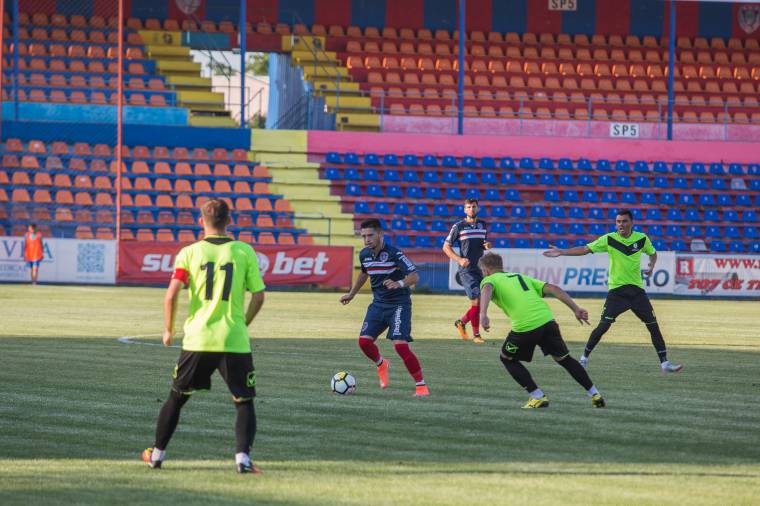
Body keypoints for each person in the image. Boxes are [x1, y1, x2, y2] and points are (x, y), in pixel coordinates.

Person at [142, 199, 266, 474]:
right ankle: (243, 460)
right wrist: (243, 323)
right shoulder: (244, 251)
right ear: (229, 221)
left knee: (177, 397)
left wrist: (168, 329)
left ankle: (156, 455)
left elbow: (171, 294)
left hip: (198, 339)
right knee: (243, 401)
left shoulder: (189, 252)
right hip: (233, 339)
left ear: (201, 222)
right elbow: (259, 296)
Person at [542, 209, 682, 373]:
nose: (621, 224)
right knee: (603, 327)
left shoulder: (642, 239)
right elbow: (585, 249)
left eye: (624, 221)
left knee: (653, 326)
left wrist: (651, 267)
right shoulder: (609, 239)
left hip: (637, 292)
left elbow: (653, 253)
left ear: (632, 223)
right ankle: (583, 359)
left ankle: (665, 364)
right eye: (618, 221)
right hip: (617, 292)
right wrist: (562, 252)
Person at [478, 253, 605, 409]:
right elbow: (554, 288)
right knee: (564, 359)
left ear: (485, 270)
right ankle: (595, 394)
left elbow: (487, 289)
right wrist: (576, 309)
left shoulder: (489, 280)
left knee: (507, 358)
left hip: (525, 327)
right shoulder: (520, 277)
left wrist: (483, 314)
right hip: (548, 322)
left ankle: (537, 396)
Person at [340, 219, 429, 396]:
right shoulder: (364, 255)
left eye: (370, 235)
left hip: (399, 305)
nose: (366, 239)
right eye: (363, 236)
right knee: (364, 342)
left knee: (401, 346)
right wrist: (351, 294)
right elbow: (364, 273)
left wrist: (399, 283)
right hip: (378, 304)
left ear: (380, 234)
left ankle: (421, 386)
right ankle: (381, 364)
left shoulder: (395, 253)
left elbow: (415, 276)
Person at [442, 198, 491, 344]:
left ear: (478, 208)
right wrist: (459, 260)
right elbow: (445, 247)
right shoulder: (458, 226)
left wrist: (486, 245)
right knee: (476, 300)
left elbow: (481, 244)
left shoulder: (483, 224)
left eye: (474, 207)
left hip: (479, 269)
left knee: (480, 303)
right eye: (468, 207)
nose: (471, 209)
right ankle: (476, 335)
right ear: (464, 210)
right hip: (466, 270)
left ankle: (461, 322)